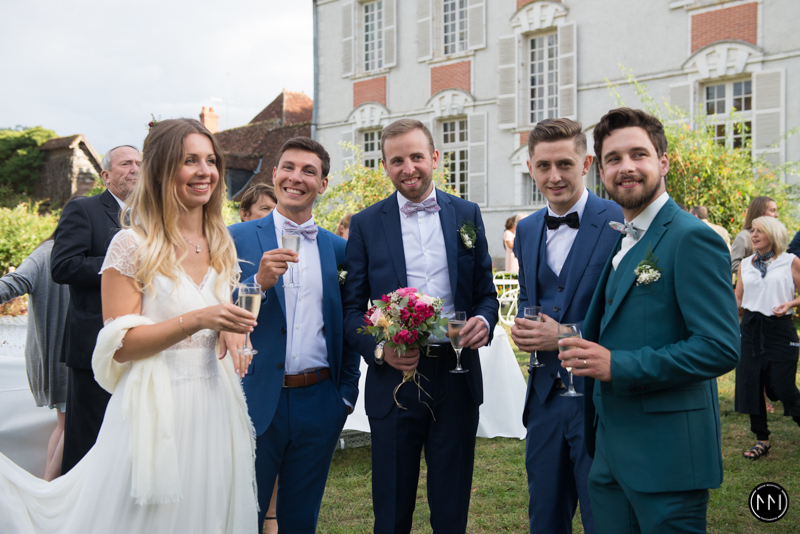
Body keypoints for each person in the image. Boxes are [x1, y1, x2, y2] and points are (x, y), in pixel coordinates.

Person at [0, 118, 259, 532]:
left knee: (207, 512)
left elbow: (217, 308)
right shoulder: (131, 245)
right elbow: (120, 345)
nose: (204, 171)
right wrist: (199, 319)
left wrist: (229, 327)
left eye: (211, 161)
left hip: (214, 403)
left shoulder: (219, 242)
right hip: (154, 408)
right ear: (161, 170)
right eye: (189, 160)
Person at [559, 108, 740, 533]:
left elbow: (719, 347)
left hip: (667, 458)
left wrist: (617, 365)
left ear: (663, 161)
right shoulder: (623, 237)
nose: (626, 167)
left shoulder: (691, 237)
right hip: (609, 455)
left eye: (638, 154)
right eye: (613, 159)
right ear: (601, 171)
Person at [342, 119, 498, 534]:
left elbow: (486, 294)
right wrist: (380, 351)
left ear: (435, 158)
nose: (408, 168)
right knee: (392, 512)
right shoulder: (365, 224)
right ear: (384, 166)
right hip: (395, 380)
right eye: (397, 160)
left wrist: (484, 320)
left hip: (456, 374)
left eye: (416, 157)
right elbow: (351, 311)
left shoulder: (467, 214)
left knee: (451, 509)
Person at [228, 137, 360, 533]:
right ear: (274, 174)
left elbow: (349, 325)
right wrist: (256, 283)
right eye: (288, 167)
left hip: (319, 401)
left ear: (323, 184)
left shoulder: (340, 250)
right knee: (241, 515)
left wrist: (343, 397)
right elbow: (216, 312)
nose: (295, 178)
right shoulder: (236, 238)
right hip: (253, 396)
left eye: (308, 171)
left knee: (301, 518)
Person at [510, 118, 623, 534]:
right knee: (544, 514)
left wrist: (564, 334)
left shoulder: (618, 219)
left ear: (586, 163)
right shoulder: (526, 229)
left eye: (564, 164)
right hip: (543, 396)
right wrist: (526, 327)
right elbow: (530, 295)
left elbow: (629, 314)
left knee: (602, 515)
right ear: (530, 167)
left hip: (599, 397)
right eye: (543, 166)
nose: (554, 176)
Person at [51, 144, 141, 474]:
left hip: (141, 344)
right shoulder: (84, 210)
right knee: (87, 444)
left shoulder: (152, 216)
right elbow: (63, 266)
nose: (135, 169)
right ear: (105, 175)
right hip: (93, 343)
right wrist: (124, 264)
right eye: (126, 163)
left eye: (139, 163)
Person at [0, 197, 80, 480]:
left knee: (66, 424)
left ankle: (49, 487)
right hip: (61, 359)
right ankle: (48, 488)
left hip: (67, 357)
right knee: (70, 425)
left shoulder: (82, 253)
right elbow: (13, 283)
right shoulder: (48, 253)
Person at [734, 216, 800, 460]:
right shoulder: (745, 264)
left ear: (773, 234)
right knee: (751, 383)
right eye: (752, 230)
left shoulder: (790, 261)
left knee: (783, 386)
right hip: (750, 328)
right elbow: (738, 298)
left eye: (760, 231)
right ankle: (761, 439)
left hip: (780, 329)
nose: (754, 235)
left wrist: (790, 304)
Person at [731, 196, 778, 277]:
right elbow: (734, 265)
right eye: (772, 210)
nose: (777, 215)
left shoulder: (773, 236)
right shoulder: (744, 236)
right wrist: (759, 271)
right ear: (760, 212)